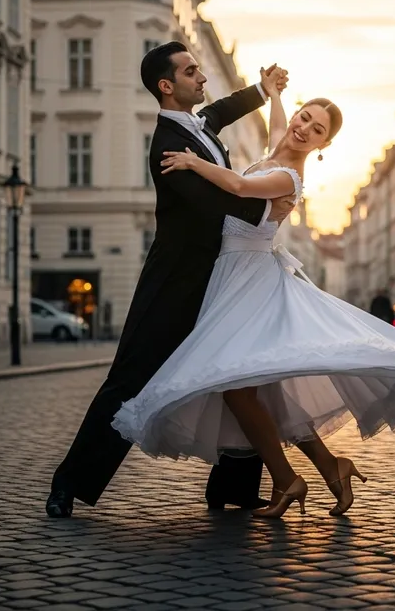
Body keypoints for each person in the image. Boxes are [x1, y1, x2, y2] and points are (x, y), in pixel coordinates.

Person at [112, 85, 395, 519]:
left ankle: (286, 478)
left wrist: (193, 162)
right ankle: (330, 467)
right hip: (233, 276)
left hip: (250, 279)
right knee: (262, 389)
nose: (303, 129)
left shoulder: (289, 176)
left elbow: (239, 185)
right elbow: (279, 128)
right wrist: (274, 93)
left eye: (317, 130)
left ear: (323, 145)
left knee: (236, 388)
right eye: (304, 117)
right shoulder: (277, 151)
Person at [45, 42, 294, 519]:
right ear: (167, 85)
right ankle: (68, 483)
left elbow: (221, 110)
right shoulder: (167, 145)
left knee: (239, 372)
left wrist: (262, 91)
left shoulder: (198, 126)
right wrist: (271, 206)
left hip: (220, 275)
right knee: (129, 380)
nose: (202, 77)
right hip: (175, 283)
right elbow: (212, 203)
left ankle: (235, 487)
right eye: (191, 71)